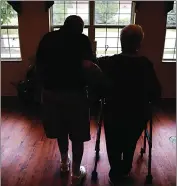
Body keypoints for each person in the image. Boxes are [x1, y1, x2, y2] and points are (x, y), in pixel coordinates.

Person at [35, 15, 107, 186]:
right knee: (77, 134)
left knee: (60, 129)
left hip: (51, 93)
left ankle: (63, 162)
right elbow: (90, 66)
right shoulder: (82, 40)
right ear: (80, 27)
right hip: (75, 94)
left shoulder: (48, 38)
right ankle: (76, 173)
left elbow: (38, 65)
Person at [98, 24, 162, 185]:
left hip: (114, 111)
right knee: (130, 140)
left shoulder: (110, 62)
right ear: (139, 44)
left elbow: (101, 87)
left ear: (121, 42)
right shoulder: (145, 64)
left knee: (113, 141)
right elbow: (156, 92)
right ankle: (125, 169)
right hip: (138, 113)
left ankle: (115, 172)